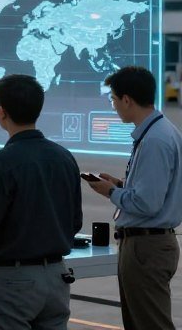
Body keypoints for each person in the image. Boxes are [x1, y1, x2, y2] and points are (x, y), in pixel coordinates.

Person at [0, 74, 82, 330]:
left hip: (14, 280)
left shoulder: (0, 162)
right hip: (57, 276)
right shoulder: (64, 157)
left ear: (1, 112)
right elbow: (74, 222)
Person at [85, 66, 182, 330]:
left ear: (127, 99)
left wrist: (111, 192)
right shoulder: (159, 132)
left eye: (114, 100)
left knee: (150, 324)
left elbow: (148, 203)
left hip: (145, 248)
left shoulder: (155, 140)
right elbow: (154, 190)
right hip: (147, 244)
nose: (114, 106)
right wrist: (120, 185)